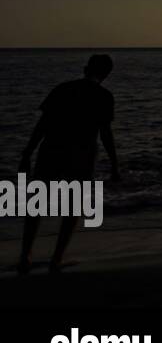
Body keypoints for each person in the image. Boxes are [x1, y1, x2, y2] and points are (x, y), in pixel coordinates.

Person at [16, 54, 119, 275]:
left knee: (37, 203)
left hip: (52, 149)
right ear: (107, 74)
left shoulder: (63, 89)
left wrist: (27, 152)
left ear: (85, 68)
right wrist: (114, 165)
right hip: (82, 153)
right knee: (73, 207)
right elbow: (105, 133)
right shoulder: (103, 96)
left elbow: (43, 124)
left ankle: (26, 255)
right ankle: (57, 258)